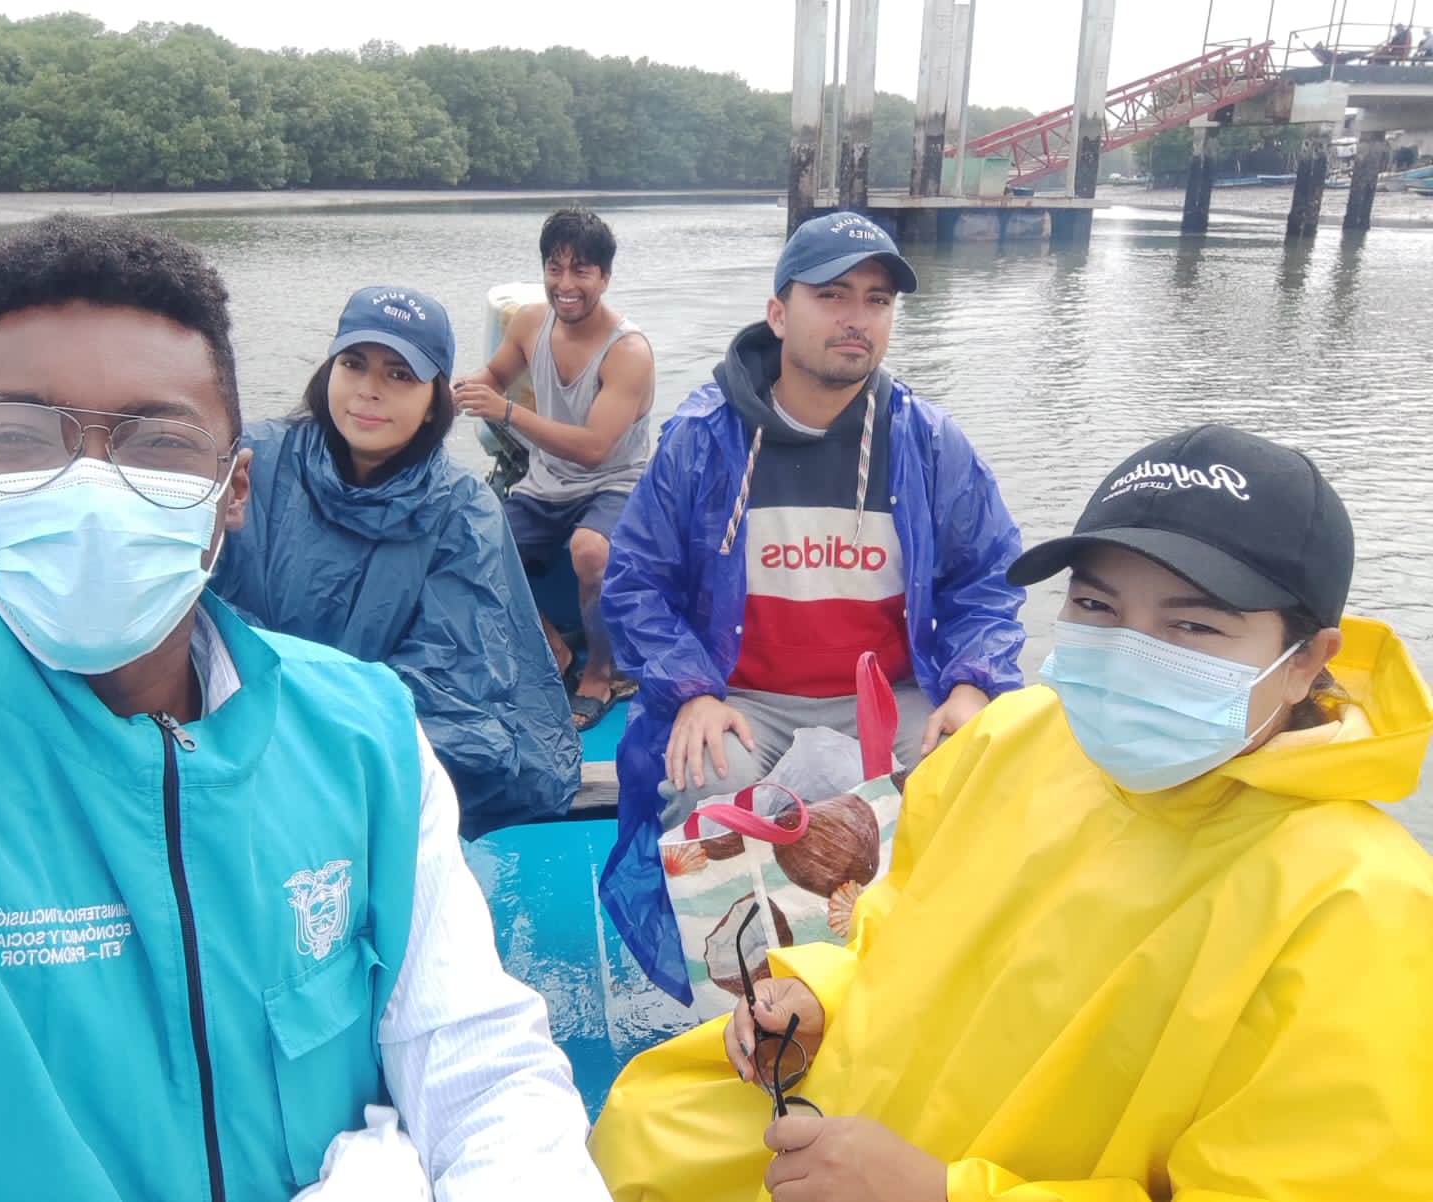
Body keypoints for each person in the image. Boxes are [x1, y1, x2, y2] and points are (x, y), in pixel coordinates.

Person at [0, 215, 611, 1201]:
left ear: (233, 486)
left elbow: (481, 1063)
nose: (92, 489)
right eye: (23, 437)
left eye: (159, 443)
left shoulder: (367, 738)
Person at [590, 424, 1433, 1201]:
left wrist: (943, 1193)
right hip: (852, 1119)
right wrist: (817, 996)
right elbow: (895, 923)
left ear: (1307, 659)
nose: (1129, 655)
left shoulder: (1358, 907)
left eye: (1193, 627)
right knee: (643, 1126)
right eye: (1097, 608)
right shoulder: (1019, 735)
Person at [597, 210, 1025, 1002]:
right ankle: (745, 1001)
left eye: (876, 300)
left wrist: (972, 683)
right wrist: (691, 690)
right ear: (778, 312)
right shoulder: (703, 439)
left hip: (889, 696)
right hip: (745, 699)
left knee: (972, 776)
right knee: (700, 783)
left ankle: (913, 989)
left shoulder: (928, 441)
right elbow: (636, 582)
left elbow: (988, 579)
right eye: (832, 295)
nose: (857, 317)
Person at [211, 285, 581, 840]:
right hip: (240, 733)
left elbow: (451, 672)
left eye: (400, 374)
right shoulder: (251, 462)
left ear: (435, 399)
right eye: (353, 364)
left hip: (366, 757)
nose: (369, 390)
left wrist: (313, 721)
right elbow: (198, 608)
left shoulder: (463, 510)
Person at [453, 207, 656, 733]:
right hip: (545, 483)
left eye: (581, 270)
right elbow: (494, 375)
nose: (565, 284)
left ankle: (601, 672)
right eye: (555, 268)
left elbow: (595, 449)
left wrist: (506, 412)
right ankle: (554, 646)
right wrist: (451, 396)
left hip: (615, 482)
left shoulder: (628, 352)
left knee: (590, 551)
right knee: (469, 546)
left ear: (604, 278)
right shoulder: (528, 323)